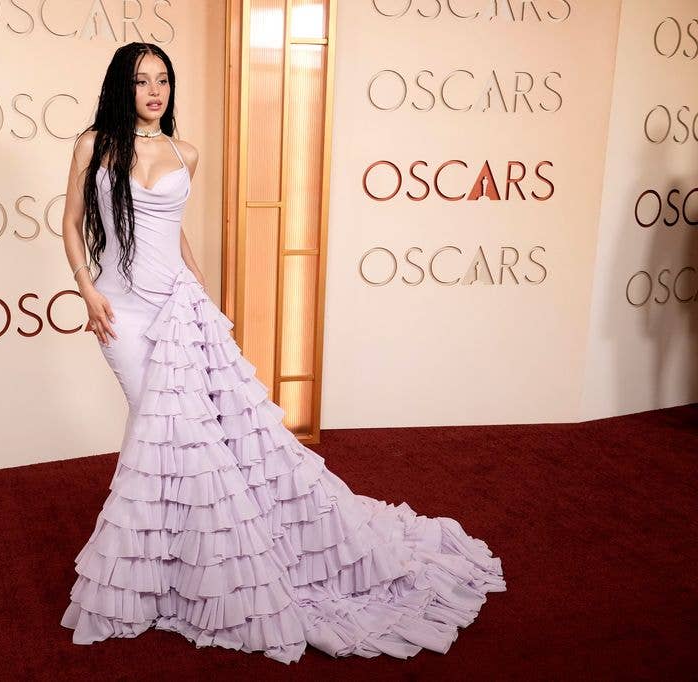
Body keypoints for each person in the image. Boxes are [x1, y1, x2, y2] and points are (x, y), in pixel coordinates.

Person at [59, 41, 506, 665]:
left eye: (163, 80)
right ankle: (177, 566)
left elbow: (172, 228)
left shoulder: (185, 151)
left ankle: (175, 572)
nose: (155, 91)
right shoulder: (94, 145)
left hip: (179, 306)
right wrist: (86, 291)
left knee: (175, 438)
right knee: (167, 432)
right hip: (121, 310)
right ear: (121, 87)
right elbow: (73, 219)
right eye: (141, 81)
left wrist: (204, 299)